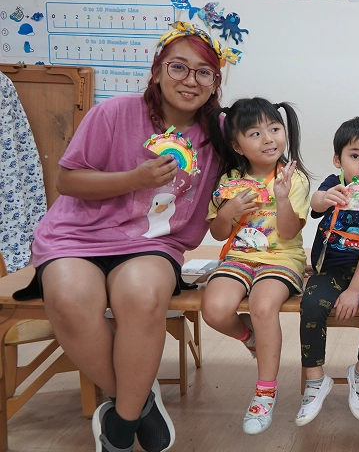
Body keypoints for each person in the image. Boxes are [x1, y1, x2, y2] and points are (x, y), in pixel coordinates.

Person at [23, 22, 234, 452]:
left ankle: (121, 422)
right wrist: (133, 178)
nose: (190, 80)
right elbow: (68, 180)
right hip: (76, 238)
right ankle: (136, 401)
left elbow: (265, 140)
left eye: (204, 72)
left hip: (153, 243)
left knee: (141, 295)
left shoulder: (219, 133)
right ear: (156, 71)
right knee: (67, 297)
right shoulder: (115, 113)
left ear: (215, 83)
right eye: (179, 67)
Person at [201, 97, 312, 435]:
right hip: (239, 257)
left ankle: (265, 392)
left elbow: (292, 231)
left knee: (264, 306)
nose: (269, 139)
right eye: (255, 133)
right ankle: (249, 337)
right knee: (214, 309)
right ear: (237, 144)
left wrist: (280, 197)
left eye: (275, 129)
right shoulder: (229, 180)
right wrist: (227, 210)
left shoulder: (293, 179)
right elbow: (218, 232)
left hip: (282, 259)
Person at [296, 116, 359, 426]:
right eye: (355, 156)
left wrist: (354, 291)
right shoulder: (334, 185)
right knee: (311, 304)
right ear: (337, 159)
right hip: (331, 268)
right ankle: (316, 381)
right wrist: (324, 197)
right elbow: (314, 204)